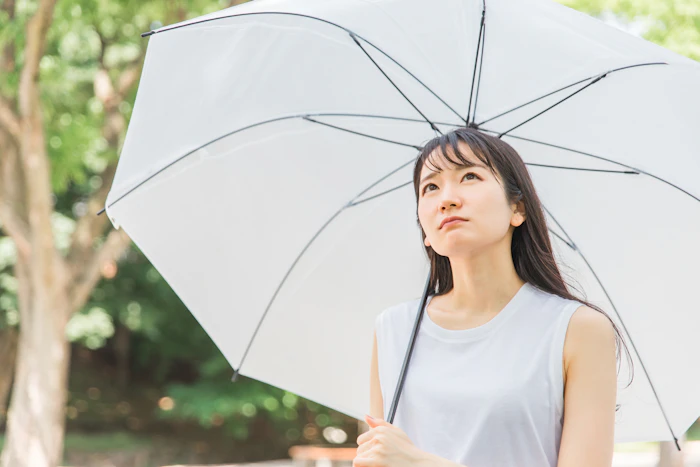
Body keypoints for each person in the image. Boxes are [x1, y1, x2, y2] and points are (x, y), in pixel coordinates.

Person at [354, 127, 631, 467]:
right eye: (430, 187)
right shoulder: (392, 330)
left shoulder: (577, 330)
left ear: (518, 209)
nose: (447, 198)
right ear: (425, 232)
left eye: (469, 176)